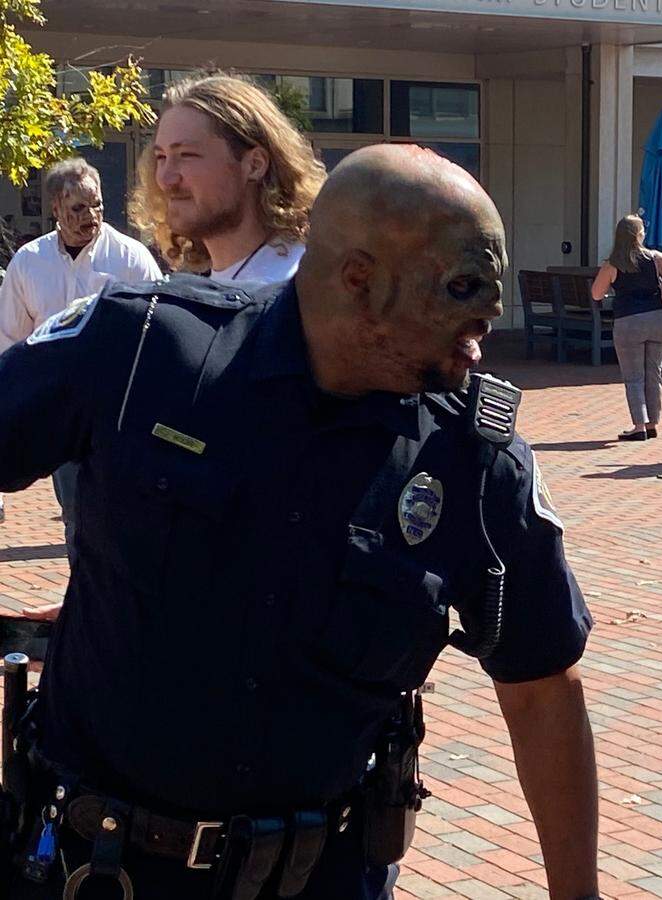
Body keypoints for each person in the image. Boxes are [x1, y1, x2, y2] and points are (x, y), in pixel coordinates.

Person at [0, 145, 598, 900]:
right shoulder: (140, 350)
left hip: (323, 877)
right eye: (461, 293)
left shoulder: (475, 461)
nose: (483, 336)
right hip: (95, 871)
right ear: (361, 280)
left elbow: (544, 686)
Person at [0, 156, 162, 564]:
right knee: (75, 514)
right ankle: (84, 605)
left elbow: (159, 336)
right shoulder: (29, 263)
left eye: (98, 205)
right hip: (57, 413)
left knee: (125, 514)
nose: (91, 216)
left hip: (121, 411)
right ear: (55, 208)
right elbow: (11, 339)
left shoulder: (131, 259)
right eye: (78, 208)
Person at [131, 74, 326, 286]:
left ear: (255, 165)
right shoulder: (199, 285)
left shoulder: (304, 288)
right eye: (161, 157)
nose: (166, 179)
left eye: (187, 155)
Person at [591, 215, 662, 441]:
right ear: (639, 235)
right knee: (653, 373)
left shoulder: (612, 265)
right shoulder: (655, 258)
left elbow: (596, 293)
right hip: (658, 320)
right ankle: (652, 423)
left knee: (633, 377)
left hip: (628, 322)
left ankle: (638, 425)